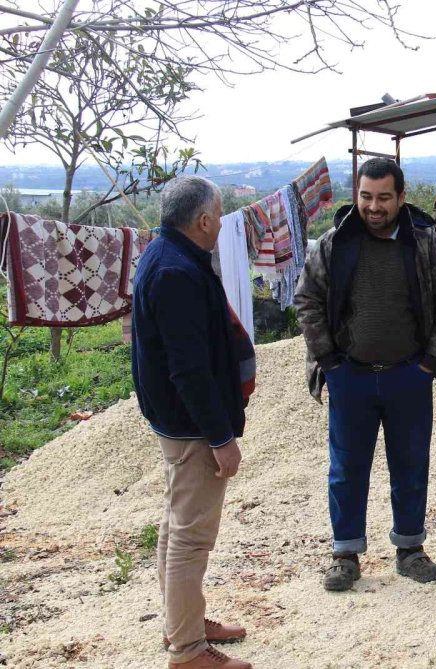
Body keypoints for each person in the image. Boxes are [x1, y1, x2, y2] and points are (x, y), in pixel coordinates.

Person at [295, 158, 436, 592]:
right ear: (357, 195)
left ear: (401, 197)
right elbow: (307, 300)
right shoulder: (334, 244)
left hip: (408, 375)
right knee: (346, 469)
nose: (374, 207)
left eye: (384, 198)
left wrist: (429, 364)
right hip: (349, 376)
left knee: (410, 465)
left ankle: (410, 549)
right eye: (366, 197)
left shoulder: (427, 245)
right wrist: (329, 362)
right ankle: (345, 554)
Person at [132, 175, 255, 669]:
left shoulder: (164, 254)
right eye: (219, 215)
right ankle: (187, 651)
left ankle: (182, 624)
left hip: (175, 420)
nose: (222, 223)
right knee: (190, 537)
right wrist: (221, 437)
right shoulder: (175, 272)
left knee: (175, 525)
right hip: (191, 427)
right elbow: (189, 369)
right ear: (203, 220)